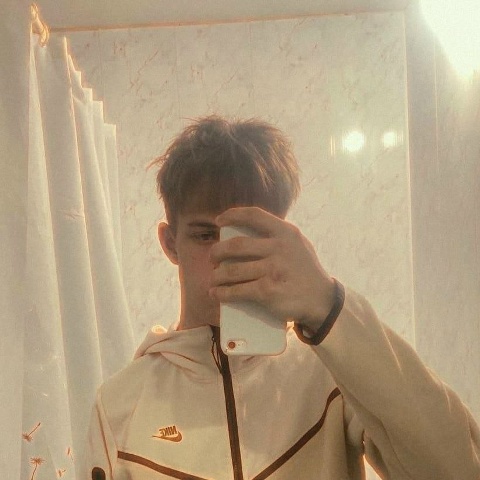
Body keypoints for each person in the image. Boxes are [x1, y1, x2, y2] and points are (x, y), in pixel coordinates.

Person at [84, 116, 480, 480]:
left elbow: (460, 469)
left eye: (247, 235)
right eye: (205, 235)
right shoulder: (120, 406)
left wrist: (328, 305)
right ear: (170, 243)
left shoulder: (331, 374)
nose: (226, 255)